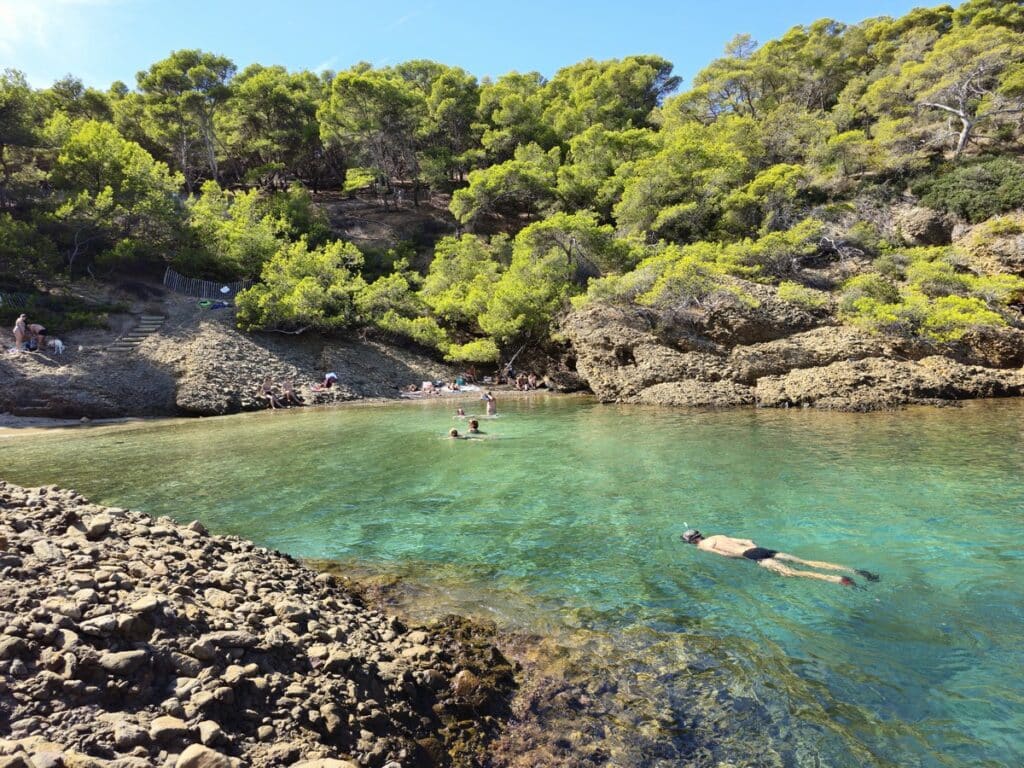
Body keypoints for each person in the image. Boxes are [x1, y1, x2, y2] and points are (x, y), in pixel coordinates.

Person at [680, 529, 879, 587]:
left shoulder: (703, 548)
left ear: (691, 542)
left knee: (793, 573)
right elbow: (748, 539)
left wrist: (742, 558)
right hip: (761, 549)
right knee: (806, 561)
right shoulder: (716, 536)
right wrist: (754, 549)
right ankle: (854, 571)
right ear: (700, 534)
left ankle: (836, 580)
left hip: (750, 556)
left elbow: (725, 554)